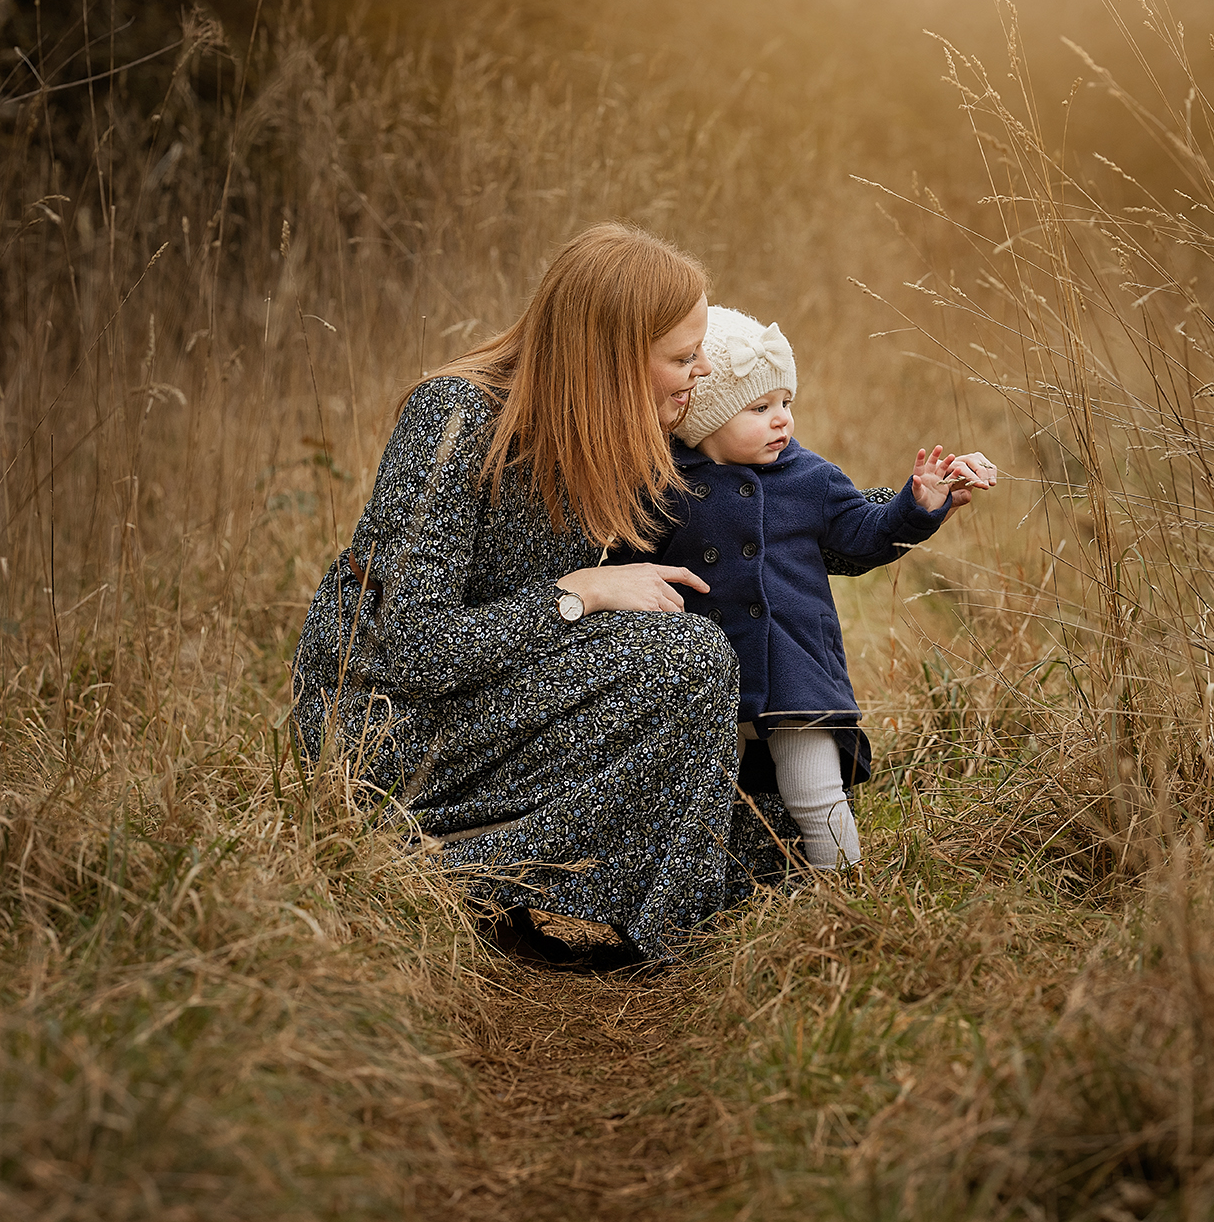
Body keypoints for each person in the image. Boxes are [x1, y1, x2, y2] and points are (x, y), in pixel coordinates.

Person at [289, 224, 800, 965]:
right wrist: (581, 591)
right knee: (687, 655)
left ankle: (611, 906)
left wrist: (897, 509)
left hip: (496, 689)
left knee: (769, 832)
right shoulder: (456, 417)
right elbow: (415, 647)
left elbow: (763, 487)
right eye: (684, 357)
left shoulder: (612, 426)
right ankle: (450, 867)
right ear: (616, 359)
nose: (703, 370)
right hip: (386, 722)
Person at [609, 306, 995, 869]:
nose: (781, 420)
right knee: (701, 801)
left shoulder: (809, 478)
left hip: (794, 669)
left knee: (815, 793)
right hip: (700, 678)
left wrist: (918, 506)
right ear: (706, 418)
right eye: (759, 407)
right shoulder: (662, 487)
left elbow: (864, 535)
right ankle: (702, 898)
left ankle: (841, 894)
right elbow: (630, 565)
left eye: (786, 403)